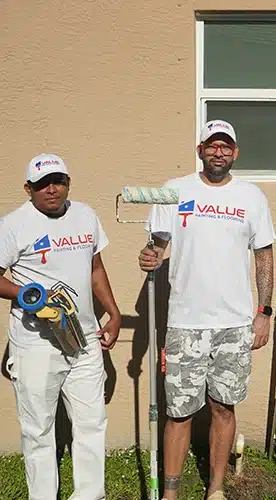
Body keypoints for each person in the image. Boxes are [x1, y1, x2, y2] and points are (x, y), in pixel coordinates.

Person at [138, 119, 275, 500]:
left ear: (236, 152)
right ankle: (171, 493)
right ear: (200, 150)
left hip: (234, 324)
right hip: (185, 322)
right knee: (179, 413)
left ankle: (215, 488)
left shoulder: (251, 197)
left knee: (223, 407)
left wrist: (264, 311)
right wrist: (149, 256)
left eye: (226, 146)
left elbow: (264, 256)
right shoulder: (175, 190)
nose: (219, 152)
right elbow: (158, 245)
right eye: (212, 146)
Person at [0, 154, 121, 500]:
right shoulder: (12, 225)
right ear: (28, 189)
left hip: (83, 339)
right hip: (36, 345)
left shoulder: (85, 215)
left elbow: (95, 267)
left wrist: (112, 312)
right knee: (38, 431)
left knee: (91, 424)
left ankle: (89, 495)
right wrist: (26, 294)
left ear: (69, 183)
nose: (51, 190)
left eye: (58, 181)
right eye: (42, 185)